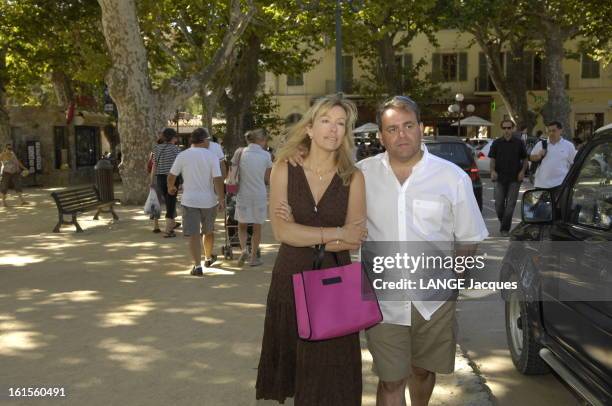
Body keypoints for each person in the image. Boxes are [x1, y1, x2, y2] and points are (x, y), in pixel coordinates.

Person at [357, 96, 487, 406]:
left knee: (422, 371)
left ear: (420, 128)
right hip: (382, 298)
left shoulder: (451, 177)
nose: (401, 135)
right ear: (381, 135)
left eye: (408, 126)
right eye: (392, 129)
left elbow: (468, 238)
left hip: (433, 300)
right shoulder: (361, 175)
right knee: (390, 379)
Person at [256, 94, 367, 405]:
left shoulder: (353, 177)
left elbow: (354, 239)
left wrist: (303, 232)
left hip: (335, 286)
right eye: (326, 121)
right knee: (297, 372)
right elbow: (281, 232)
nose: (333, 130)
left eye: (341, 124)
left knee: (334, 375)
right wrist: (336, 232)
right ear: (309, 128)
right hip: (290, 281)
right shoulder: (283, 168)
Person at [167, 128, 225, 275]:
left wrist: (170, 187)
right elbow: (217, 179)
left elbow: (172, 175)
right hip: (209, 201)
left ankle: (197, 266)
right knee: (208, 231)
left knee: (193, 234)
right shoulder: (211, 156)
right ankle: (207, 257)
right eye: (208, 140)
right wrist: (221, 198)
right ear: (204, 140)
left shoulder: (183, 155)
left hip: (189, 200)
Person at [231, 128, 272, 267]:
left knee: (241, 225)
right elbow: (267, 179)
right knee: (257, 228)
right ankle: (253, 258)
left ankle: (243, 250)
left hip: (243, 194)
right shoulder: (266, 155)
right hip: (259, 194)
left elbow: (233, 173)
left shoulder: (240, 152)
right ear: (261, 140)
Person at [489, 120, 528, 237]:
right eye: (504, 128)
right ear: (502, 129)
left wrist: (522, 172)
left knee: (510, 205)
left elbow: (525, 159)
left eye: (509, 128)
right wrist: (492, 171)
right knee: (499, 204)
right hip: (499, 178)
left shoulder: (519, 143)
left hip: (515, 179)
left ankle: (505, 229)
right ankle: (504, 223)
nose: (507, 130)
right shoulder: (496, 143)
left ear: (513, 128)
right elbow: (492, 159)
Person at [150, 128, 181, 237]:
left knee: (166, 203)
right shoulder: (176, 150)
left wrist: (151, 181)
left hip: (160, 179)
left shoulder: (157, 148)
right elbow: (179, 167)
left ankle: (170, 225)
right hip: (172, 179)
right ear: (173, 137)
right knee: (171, 203)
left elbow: (154, 166)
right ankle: (168, 230)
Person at [530, 121, 577, 190]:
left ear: (560, 131)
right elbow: (531, 158)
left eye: (554, 131)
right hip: (542, 184)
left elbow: (573, 163)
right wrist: (538, 156)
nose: (551, 133)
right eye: (549, 131)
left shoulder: (568, 145)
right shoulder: (540, 144)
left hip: (561, 184)